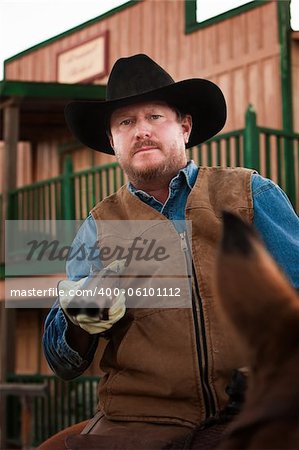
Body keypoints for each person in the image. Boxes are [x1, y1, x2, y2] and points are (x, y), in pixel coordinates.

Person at [39, 54, 299, 450]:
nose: (141, 130)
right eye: (126, 122)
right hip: (135, 421)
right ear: (113, 141)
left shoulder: (250, 193)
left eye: (154, 117)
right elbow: (63, 362)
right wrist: (85, 314)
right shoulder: (97, 226)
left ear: (185, 126)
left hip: (249, 409)